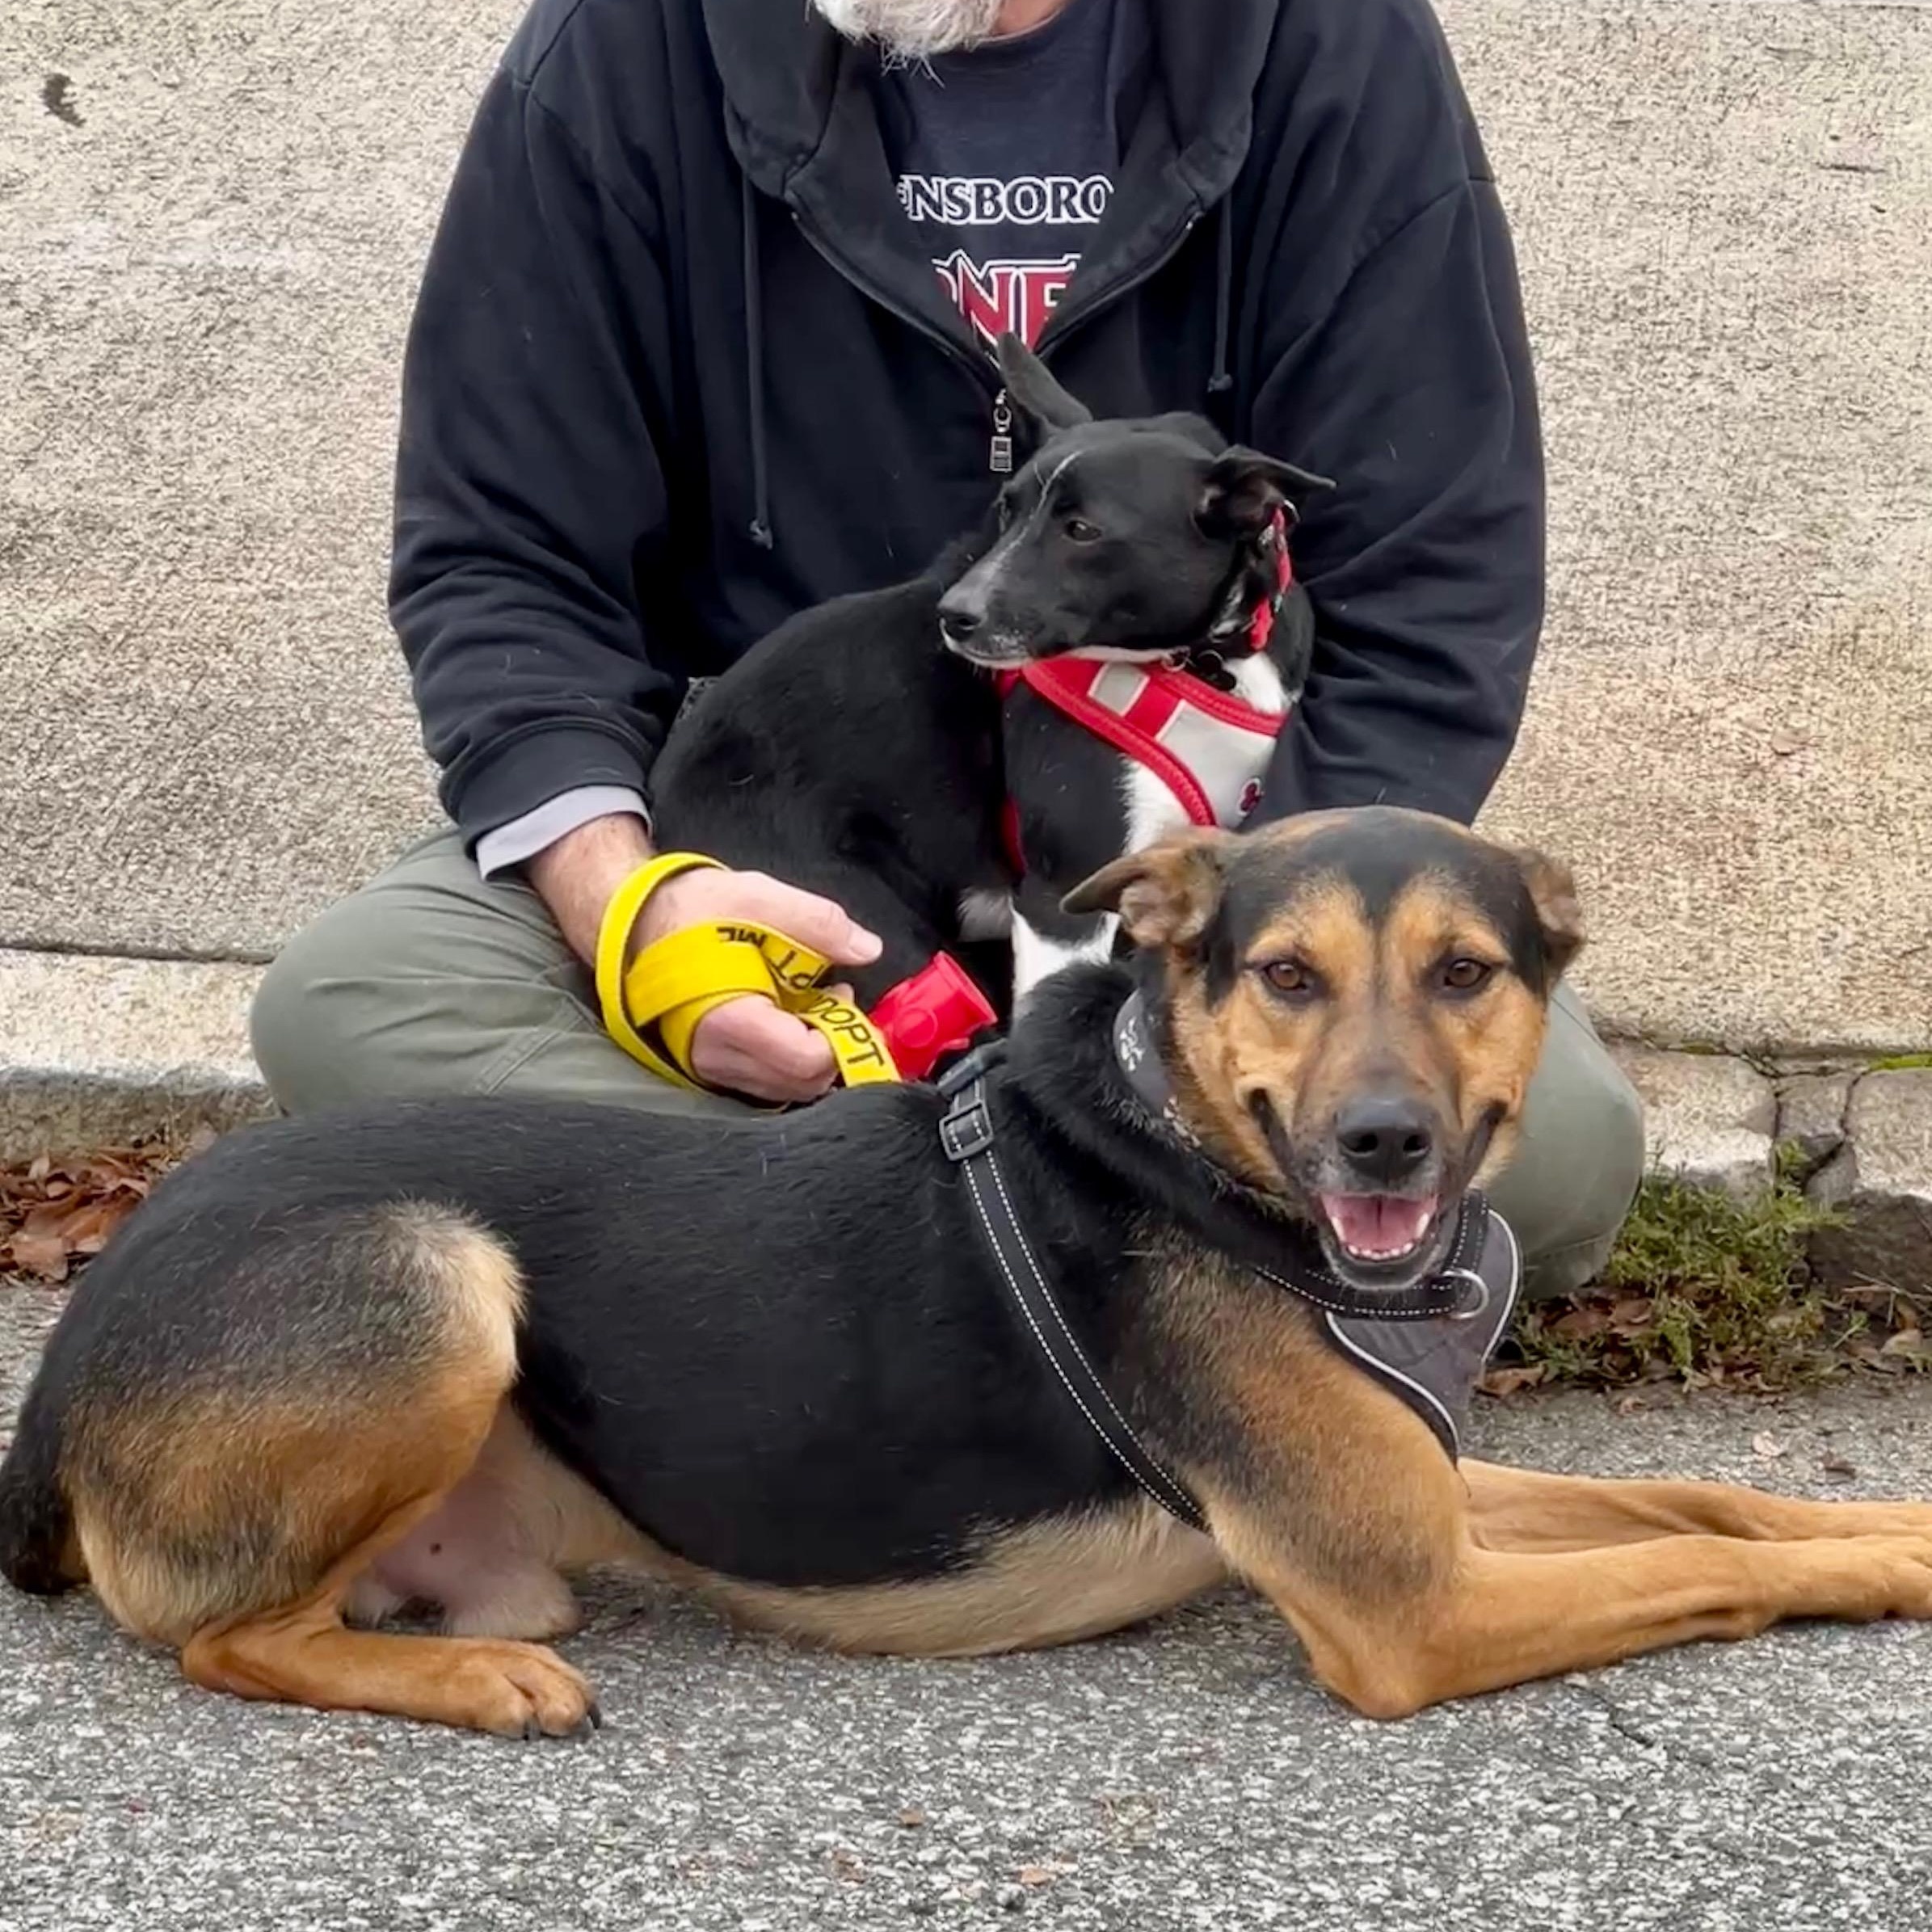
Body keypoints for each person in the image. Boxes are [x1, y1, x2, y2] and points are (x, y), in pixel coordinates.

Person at [250, 0, 1644, 1294]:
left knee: (1561, 1154)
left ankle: (839, 1260)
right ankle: (1017, 1270)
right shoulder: (626, 41)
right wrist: (631, 916)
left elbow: (1432, 591)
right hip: (755, 812)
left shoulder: (1326, 42)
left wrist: (1231, 972)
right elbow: (503, 561)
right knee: (352, 1005)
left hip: (1205, 846)